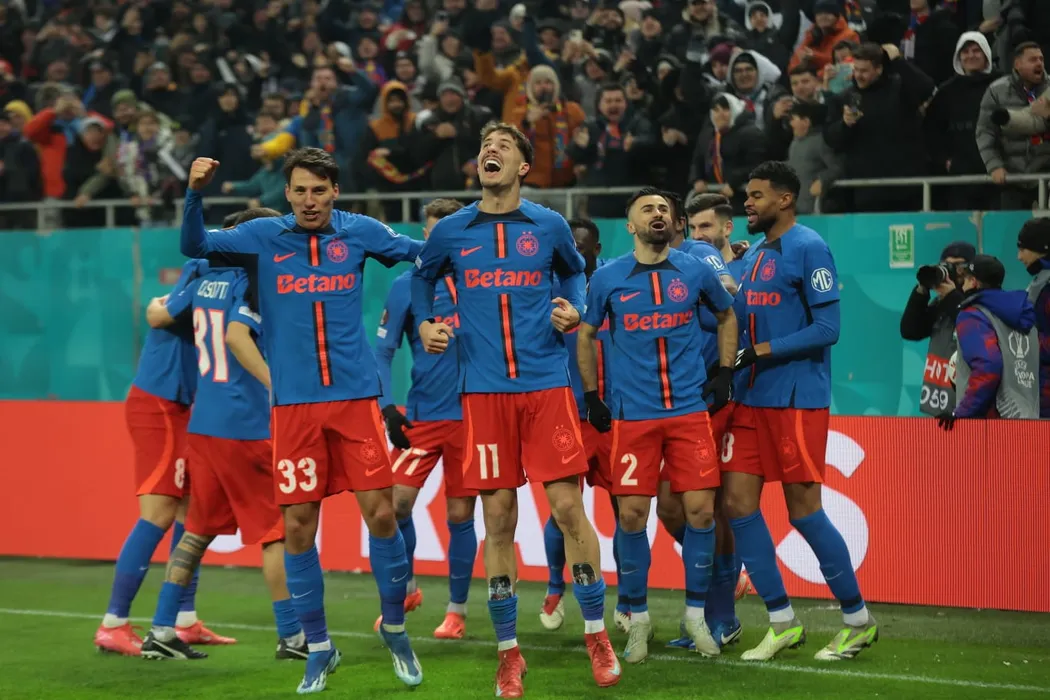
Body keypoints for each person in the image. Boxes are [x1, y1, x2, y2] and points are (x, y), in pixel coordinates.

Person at [179, 147, 424, 694]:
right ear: (286, 194)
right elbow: (195, 245)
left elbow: (421, 255)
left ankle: (396, 630)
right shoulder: (261, 237)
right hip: (294, 408)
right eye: (299, 191)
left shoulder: (360, 232)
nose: (309, 200)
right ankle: (317, 647)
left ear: (335, 191)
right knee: (296, 527)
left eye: (319, 190)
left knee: (382, 515)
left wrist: (437, 301)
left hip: (354, 400)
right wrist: (194, 193)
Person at [410, 121, 621, 697]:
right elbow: (421, 280)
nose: (491, 152)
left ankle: (597, 635)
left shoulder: (548, 225)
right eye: (485, 147)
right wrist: (426, 322)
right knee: (498, 519)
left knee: (567, 508)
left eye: (503, 147)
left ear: (523, 167)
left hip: (546, 387)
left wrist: (573, 308)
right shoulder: (451, 231)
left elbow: (576, 273)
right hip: (483, 394)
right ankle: (509, 654)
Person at [576, 188, 738, 663]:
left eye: (664, 208)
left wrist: (725, 371)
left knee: (701, 514)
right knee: (631, 516)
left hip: (688, 412)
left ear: (674, 222)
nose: (658, 214)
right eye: (648, 209)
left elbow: (727, 315)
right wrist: (592, 396)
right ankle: (638, 619)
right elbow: (586, 334)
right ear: (631, 226)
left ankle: (696, 616)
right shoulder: (607, 278)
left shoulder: (695, 270)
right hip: (633, 416)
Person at [138, 207, 307, 661]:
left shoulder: (204, 281)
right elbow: (236, 337)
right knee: (276, 533)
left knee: (196, 532)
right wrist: (277, 386)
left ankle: (161, 629)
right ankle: (293, 637)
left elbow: (165, 314)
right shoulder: (252, 283)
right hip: (245, 426)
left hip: (205, 423)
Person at [725, 161, 877, 662]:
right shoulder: (753, 255)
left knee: (804, 512)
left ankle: (857, 621)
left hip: (794, 398)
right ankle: (782, 622)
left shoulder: (810, 247)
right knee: (738, 504)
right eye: (747, 195)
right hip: (749, 398)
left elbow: (828, 329)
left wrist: (762, 351)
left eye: (756, 195)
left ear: (785, 199)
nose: (747, 203)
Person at [94, 259, 233, 657]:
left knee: (192, 513)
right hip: (159, 405)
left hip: (183, 406)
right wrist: (159, 307)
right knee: (157, 514)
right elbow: (160, 314)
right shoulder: (205, 271)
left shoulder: (234, 280)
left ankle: (183, 620)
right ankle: (113, 623)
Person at [373, 197, 478, 640]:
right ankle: (408, 587)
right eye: (432, 233)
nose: (438, 242)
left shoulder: (480, 281)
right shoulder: (406, 287)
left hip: (472, 416)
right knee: (395, 505)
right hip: (422, 416)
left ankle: (456, 611)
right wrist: (386, 407)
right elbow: (383, 351)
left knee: (460, 513)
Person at [541, 218, 620, 633]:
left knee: (628, 510)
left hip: (613, 413)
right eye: (567, 245)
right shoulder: (546, 287)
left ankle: (630, 602)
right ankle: (555, 587)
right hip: (567, 412)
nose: (573, 251)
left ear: (596, 249)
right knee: (563, 508)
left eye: (582, 246)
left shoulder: (615, 279)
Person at [939, 255, 1040, 428]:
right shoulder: (1026, 316)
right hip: (1029, 421)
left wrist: (962, 412)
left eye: (966, 278)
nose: (962, 284)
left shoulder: (972, 316)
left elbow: (987, 369)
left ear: (974, 282)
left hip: (991, 425)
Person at [899, 242, 973, 416]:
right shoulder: (942, 302)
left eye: (958, 266)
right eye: (946, 266)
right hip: (939, 402)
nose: (952, 271)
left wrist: (952, 296)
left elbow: (971, 327)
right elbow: (910, 330)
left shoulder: (975, 302)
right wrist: (922, 289)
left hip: (965, 406)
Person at [1016, 218, 1050, 418]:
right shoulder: (1041, 282)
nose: (1019, 257)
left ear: (1042, 248)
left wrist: (1025, 344)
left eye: (1023, 249)